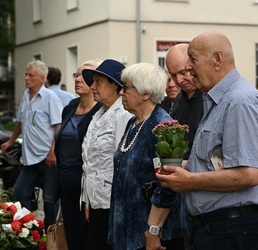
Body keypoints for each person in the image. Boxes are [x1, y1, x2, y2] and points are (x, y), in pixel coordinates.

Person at [156, 31, 258, 250]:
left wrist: (189, 180)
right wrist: (185, 167)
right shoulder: (217, 99)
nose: (189, 68)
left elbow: (249, 174)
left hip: (230, 228)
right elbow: (216, 160)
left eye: (193, 59)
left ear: (218, 59)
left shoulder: (239, 102)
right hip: (218, 227)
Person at [107, 62, 188, 250]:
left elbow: (168, 186)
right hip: (127, 232)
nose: (121, 93)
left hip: (154, 238)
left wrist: (152, 232)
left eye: (126, 88)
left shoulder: (167, 129)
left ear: (146, 93)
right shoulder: (133, 123)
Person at [1, 60, 63, 228]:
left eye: (31, 75)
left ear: (42, 78)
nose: (26, 78)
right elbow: (20, 122)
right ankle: (30, 229)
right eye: (26, 75)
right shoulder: (25, 96)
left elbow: (59, 125)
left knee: (50, 201)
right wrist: (10, 141)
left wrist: (52, 151)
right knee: (19, 193)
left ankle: (51, 237)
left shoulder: (50, 97)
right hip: (29, 159)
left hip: (48, 159)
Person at [80, 59, 133, 250]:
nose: (92, 86)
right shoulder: (99, 113)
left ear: (115, 85)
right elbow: (90, 163)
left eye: (98, 82)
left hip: (112, 203)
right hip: (96, 201)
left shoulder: (123, 114)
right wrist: (87, 200)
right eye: (92, 81)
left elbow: (123, 161)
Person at [54, 59, 102, 250]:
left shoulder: (100, 111)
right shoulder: (70, 107)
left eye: (84, 75)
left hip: (86, 187)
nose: (78, 79)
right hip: (65, 183)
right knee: (71, 233)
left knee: (86, 236)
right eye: (76, 75)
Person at [165, 43, 203, 160]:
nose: (179, 80)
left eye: (183, 72)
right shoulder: (179, 100)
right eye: (173, 75)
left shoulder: (210, 98)